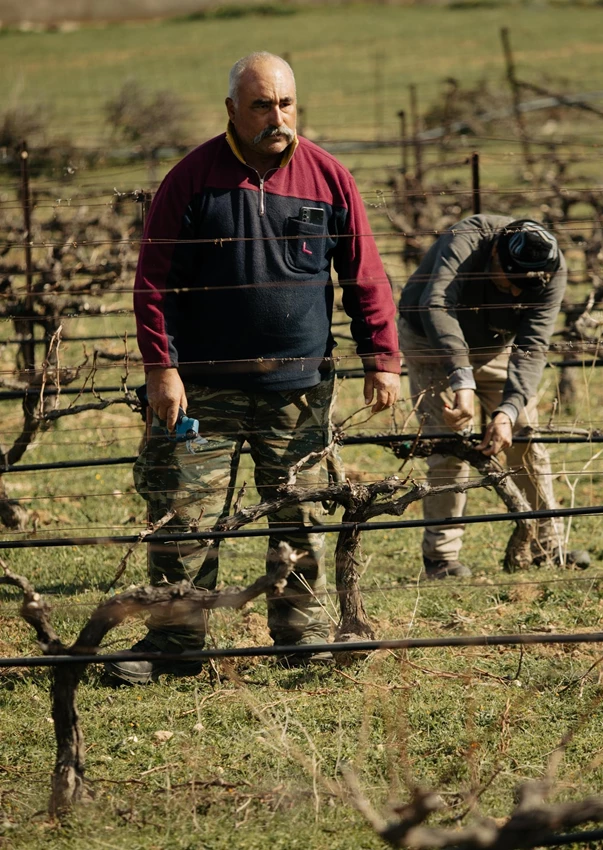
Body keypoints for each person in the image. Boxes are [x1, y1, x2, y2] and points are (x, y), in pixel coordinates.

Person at [105, 52, 400, 685]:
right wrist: (162, 369)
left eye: (286, 103)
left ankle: (304, 641)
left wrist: (382, 358)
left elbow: (365, 276)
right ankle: (176, 648)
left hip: (298, 389)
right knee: (183, 517)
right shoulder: (191, 179)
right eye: (262, 105)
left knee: (301, 512)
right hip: (200, 389)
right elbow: (152, 284)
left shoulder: (329, 177)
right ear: (232, 110)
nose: (277, 117)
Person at [398, 214, 573, 580]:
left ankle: (548, 545)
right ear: (495, 253)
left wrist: (508, 411)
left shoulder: (551, 270)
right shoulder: (465, 240)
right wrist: (461, 381)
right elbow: (437, 304)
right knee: (447, 446)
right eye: (509, 282)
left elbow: (532, 346)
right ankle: (442, 559)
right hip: (430, 340)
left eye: (523, 288)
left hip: (495, 345)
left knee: (524, 437)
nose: (513, 294)